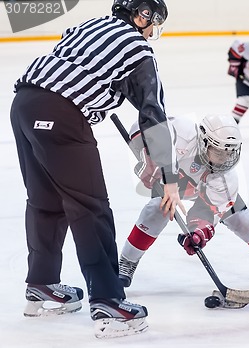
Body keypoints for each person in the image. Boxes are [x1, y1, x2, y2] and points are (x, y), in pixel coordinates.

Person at [10, 0, 184, 338]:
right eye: (153, 23)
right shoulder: (137, 47)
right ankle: (108, 301)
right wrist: (169, 178)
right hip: (62, 114)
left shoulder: (91, 26)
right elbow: (153, 113)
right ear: (141, 15)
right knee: (90, 207)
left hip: (24, 105)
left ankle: (42, 285)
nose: (152, 32)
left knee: (45, 200)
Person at [118, 114, 249, 289]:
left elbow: (207, 211)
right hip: (172, 178)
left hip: (204, 189)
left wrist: (197, 233)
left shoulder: (226, 179)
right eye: (219, 152)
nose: (224, 159)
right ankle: (127, 261)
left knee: (242, 219)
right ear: (204, 141)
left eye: (229, 153)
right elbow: (141, 127)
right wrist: (148, 158)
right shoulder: (181, 132)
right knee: (158, 208)